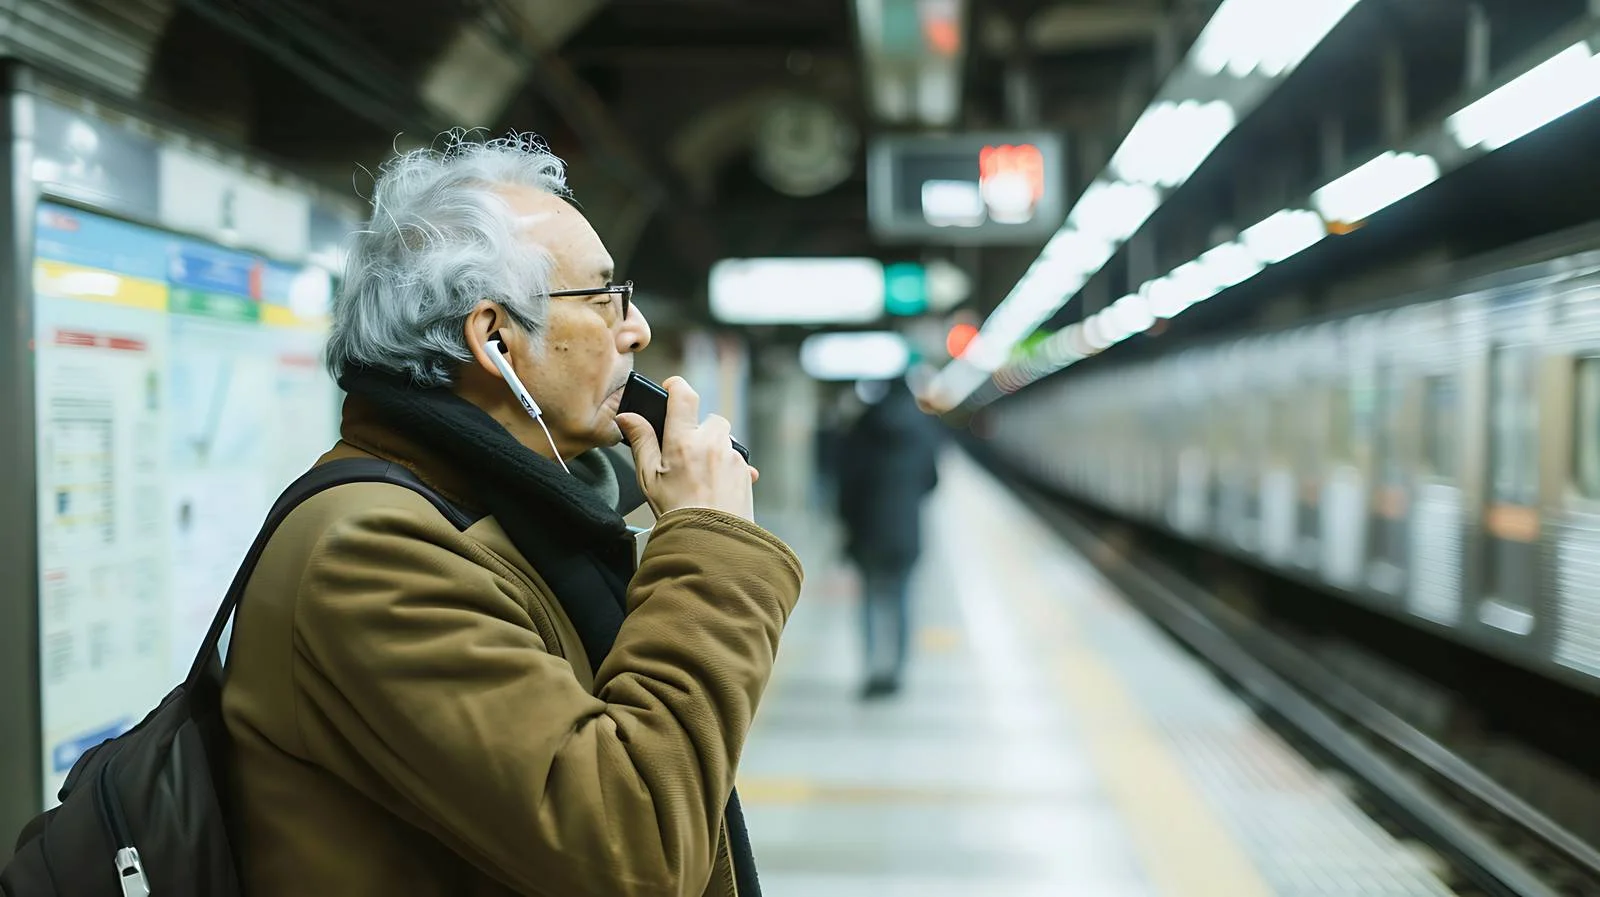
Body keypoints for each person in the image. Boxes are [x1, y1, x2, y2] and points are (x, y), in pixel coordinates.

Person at [220, 133, 803, 897]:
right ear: (493, 338)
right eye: (602, 298)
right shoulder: (371, 554)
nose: (637, 329)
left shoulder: (521, 516)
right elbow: (634, 845)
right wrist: (710, 551)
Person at [836, 374, 942, 699]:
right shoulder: (924, 428)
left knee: (870, 598)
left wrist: (847, 522)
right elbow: (932, 481)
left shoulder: (864, 426)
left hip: (868, 529)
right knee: (902, 599)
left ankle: (872, 668)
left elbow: (848, 482)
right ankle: (897, 669)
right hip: (907, 531)